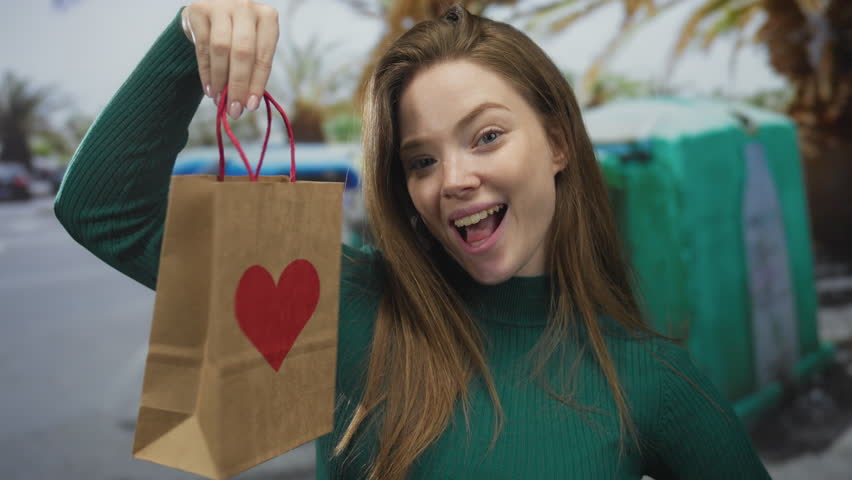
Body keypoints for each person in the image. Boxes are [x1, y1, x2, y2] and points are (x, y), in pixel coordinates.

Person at [54, 1, 773, 479]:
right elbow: (106, 210)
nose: (452, 179)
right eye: (421, 160)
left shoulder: (651, 379)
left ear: (557, 143)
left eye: (486, 136)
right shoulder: (349, 304)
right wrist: (193, 26)